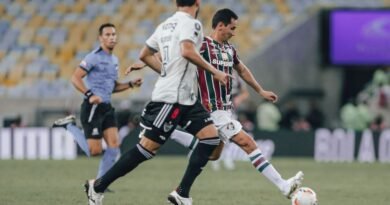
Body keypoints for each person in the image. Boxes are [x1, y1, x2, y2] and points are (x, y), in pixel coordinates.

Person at [83, 1, 230, 205]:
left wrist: (166, 71)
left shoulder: (165, 25)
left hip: (187, 98)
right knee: (146, 150)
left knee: (211, 138)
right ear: (197, 3)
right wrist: (215, 71)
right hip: (171, 99)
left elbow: (144, 54)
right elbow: (187, 51)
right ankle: (97, 186)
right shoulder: (192, 23)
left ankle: (181, 193)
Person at [166, 8, 303, 200]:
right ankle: (283, 185)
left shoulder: (229, 49)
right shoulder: (203, 44)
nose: (234, 32)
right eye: (232, 28)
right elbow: (180, 54)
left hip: (226, 110)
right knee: (248, 143)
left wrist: (260, 91)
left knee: (213, 154)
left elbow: (243, 70)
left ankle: (170, 133)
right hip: (211, 109)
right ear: (220, 25)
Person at [53, 23, 142, 189]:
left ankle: (99, 184)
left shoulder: (114, 60)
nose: (111, 37)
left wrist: (130, 84)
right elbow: (75, 77)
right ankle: (69, 126)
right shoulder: (93, 57)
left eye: (114, 34)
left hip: (107, 107)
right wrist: (89, 94)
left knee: (114, 147)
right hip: (92, 107)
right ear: (100, 38)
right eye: (107, 35)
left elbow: (112, 86)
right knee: (93, 151)